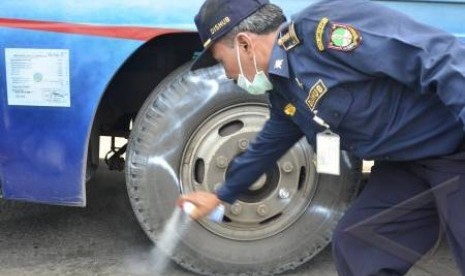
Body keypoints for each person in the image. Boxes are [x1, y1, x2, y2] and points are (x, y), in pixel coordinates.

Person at [177, 0, 465, 275]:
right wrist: (220, 195)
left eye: (221, 60)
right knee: (358, 245)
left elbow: (439, 57)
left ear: (244, 44)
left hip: (455, 149)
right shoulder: (282, 88)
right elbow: (268, 144)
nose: (227, 73)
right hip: (407, 164)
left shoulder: (323, 34)